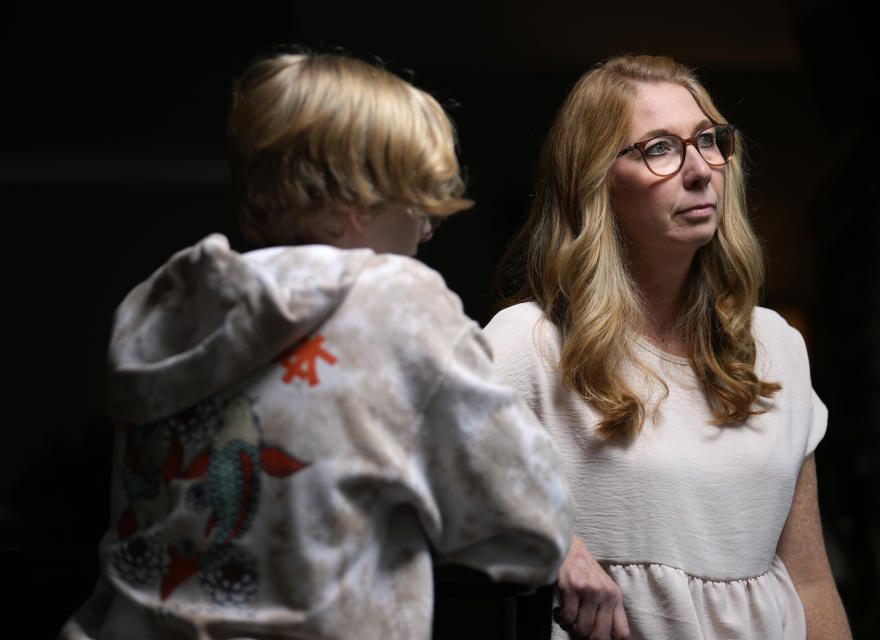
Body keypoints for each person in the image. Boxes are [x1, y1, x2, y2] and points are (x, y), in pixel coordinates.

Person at [61, 50, 573, 640]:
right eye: (417, 199)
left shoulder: (162, 309)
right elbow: (530, 524)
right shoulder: (395, 300)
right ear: (353, 202)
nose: (427, 228)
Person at [483, 54, 852, 639]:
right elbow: (424, 472)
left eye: (708, 140)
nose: (701, 169)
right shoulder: (528, 344)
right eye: (659, 148)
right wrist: (543, 536)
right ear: (594, 178)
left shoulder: (776, 344)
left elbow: (808, 579)